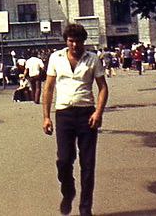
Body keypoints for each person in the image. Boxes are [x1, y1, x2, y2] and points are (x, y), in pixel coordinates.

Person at [42, 23, 108, 216]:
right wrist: (46, 117)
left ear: (83, 42)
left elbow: (103, 87)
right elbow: (48, 88)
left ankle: (85, 208)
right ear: (66, 41)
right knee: (64, 160)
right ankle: (68, 190)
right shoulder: (56, 58)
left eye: (78, 41)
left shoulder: (92, 59)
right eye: (71, 41)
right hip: (64, 115)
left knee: (88, 164)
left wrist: (98, 113)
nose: (74, 45)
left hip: (87, 115)